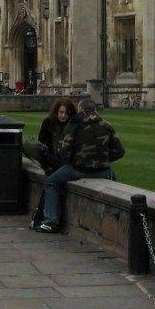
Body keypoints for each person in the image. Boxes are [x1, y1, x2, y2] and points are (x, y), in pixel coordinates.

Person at [36, 98, 125, 234]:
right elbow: (119, 151)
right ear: (94, 110)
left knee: (51, 182)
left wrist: (76, 159)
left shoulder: (74, 125)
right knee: (114, 179)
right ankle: (119, 217)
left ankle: (50, 221)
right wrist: (103, 159)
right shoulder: (106, 125)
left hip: (79, 170)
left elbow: (63, 152)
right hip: (103, 170)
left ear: (81, 109)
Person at [28, 98, 77, 228]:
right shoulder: (48, 122)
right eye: (61, 112)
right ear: (56, 111)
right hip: (51, 161)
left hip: (64, 163)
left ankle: (45, 219)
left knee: (51, 183)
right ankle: (46, 219)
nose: (63, 116)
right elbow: (41, 146)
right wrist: (46, 166)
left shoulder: (73, 125)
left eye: (66, 113)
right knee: (51, 182)